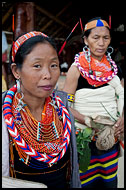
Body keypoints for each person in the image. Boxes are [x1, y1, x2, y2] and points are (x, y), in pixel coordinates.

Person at [2, 31, 81, 188]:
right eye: (37, 66)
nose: (48, 75)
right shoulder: (5, 115)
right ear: (16, 71)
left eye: (53, 65)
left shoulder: (62, 107)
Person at [63, 18, 124, 188]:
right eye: (95, 37)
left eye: (106, 38)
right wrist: (87, 120)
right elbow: (66, 105)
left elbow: (122, 97)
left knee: (109, 180)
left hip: (109, 139)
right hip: (85, 141)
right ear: (85, 40)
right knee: (86, 181)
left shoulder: (115, 69)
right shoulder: (76, 69)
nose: (101, 43)